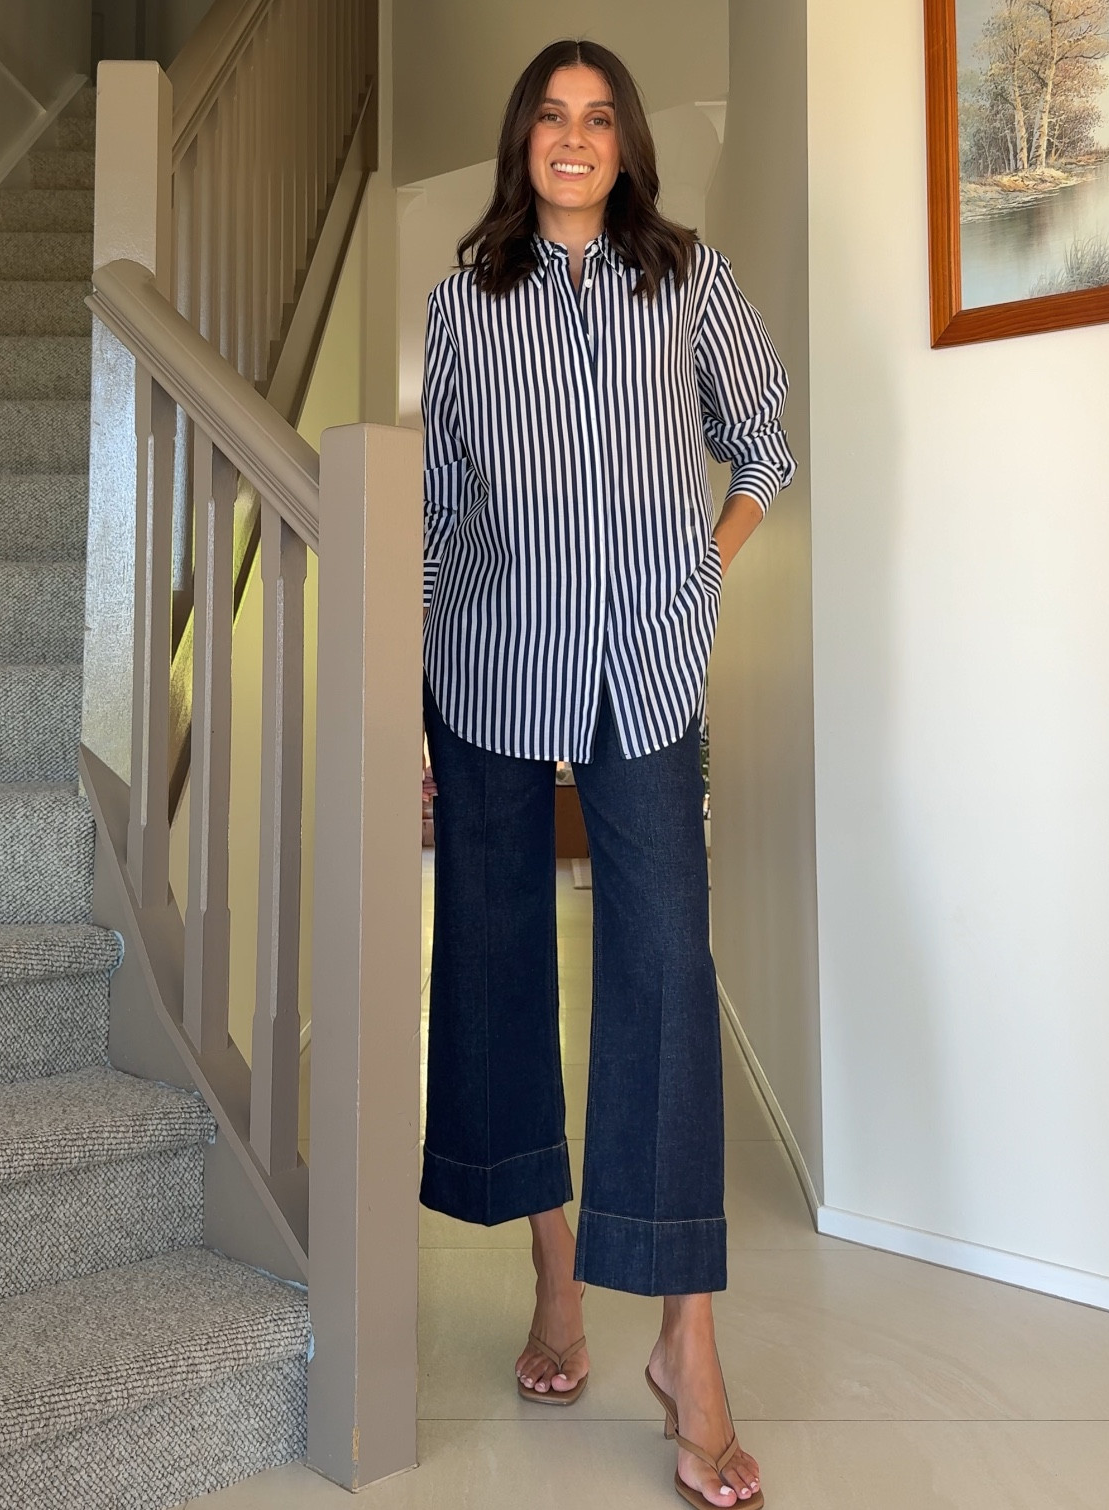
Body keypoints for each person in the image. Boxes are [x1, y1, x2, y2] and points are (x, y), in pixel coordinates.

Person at [419, 37, 795, 1510]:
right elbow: (443, 508)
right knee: (497, 965)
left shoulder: (685, 280)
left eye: (598, 119)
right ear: (521, 144)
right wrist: (419, 698)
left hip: (644, 673)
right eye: (550, 119)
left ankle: (686, 1346)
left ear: (627, 145)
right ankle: (557, 1282)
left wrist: (693, 580)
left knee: (659, 976)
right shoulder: (460, 304)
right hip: (488, 670)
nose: (573, 139)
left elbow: (760, 443)